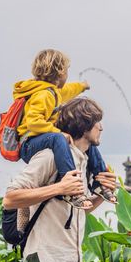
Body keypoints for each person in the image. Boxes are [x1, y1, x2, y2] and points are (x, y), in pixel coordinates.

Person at [3, 97, 117, 262]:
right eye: (97, 122)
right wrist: (59, 188)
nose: (101, 127)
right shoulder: (49, 156)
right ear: (84, 125)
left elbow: (79, 212)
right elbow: (10, 198)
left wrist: (102, 195)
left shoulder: (84, 161)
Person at [14, 49, 116, 208]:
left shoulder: (53, 92)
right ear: (60, 72)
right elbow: (34, 122)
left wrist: (82, 86)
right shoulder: (43, 95)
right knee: (59, 138)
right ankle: (71, 187)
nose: (67, 75)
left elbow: (68, 90)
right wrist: (58, 132)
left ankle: (99, 182)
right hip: (29, 144)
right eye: (67, 71)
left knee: (88, 142)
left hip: (42, 139)